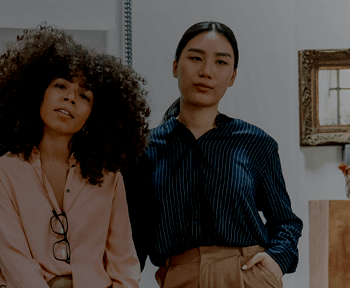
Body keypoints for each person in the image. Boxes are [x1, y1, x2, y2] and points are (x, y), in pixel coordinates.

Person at [123, 21, 303, 288]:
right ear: (175, 66)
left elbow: (285, 222)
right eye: (195, 58)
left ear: (232, 76)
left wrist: (276, 262)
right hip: (179, 277)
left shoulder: (256, 143)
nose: (206, 71)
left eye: (221, 62)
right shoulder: (143, 148)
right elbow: (134, 234)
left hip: (248, 276)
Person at [0, 26, 149, 288]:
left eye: (84, 96)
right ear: (37, 92)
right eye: (61, 85)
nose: (70, 98)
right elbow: (14, 261)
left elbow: (124, 263)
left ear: (95, 114)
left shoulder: (110, 178)